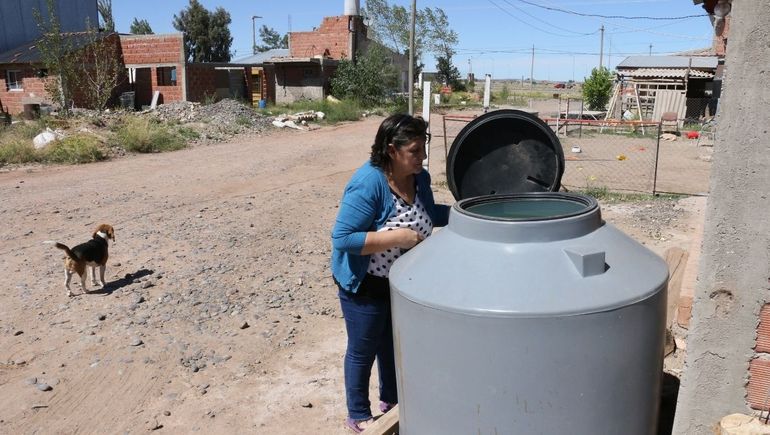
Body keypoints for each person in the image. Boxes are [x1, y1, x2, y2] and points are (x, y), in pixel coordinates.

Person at [331, 114, 449, 432]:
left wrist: (465, 213)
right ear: (392, 150)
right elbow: (343, 238)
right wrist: (397, 237)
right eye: (415, 150)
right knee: (364, 347)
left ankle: (392, 401)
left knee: (391, 343)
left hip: (399, 282)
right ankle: (357, 414)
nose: (422, 157)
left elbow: (430, 214)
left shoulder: (418, 178)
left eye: (423, 148)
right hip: (365, 283)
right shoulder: (369, 182)